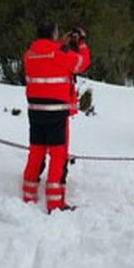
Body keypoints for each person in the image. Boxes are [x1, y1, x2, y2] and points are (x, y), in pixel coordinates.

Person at [21, 21, 90, 212]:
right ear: (53, 34)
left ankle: (28, 195)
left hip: (35, 110)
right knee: (58, 155)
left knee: (36, 152)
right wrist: (81, 43)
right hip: (56, 112)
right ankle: (55, 202)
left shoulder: (30, 54)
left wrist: (62, 42)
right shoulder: (60, 53)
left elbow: (48, 58)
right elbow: (81, 63)